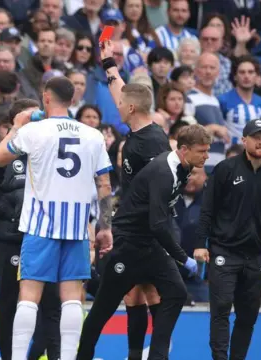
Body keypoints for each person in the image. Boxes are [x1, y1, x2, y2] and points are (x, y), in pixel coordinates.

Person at [0, 76, 114, 360]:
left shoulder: (35, 131)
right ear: (72, 100)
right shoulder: (93, 135)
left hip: (40, 224)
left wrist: (17, 126)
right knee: (72, 297)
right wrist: (104, 227)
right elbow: (105, 185)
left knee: (29, 296)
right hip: (76, 226)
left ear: (46, 98)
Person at [76, 124, 210, 360]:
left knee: (177, 293)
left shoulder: (184, 167)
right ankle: (82, 356)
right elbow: (158, 223)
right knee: (101, 311)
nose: (207, 156)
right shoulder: (164, 172)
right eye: (202, 151)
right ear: (185, 149)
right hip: (128, 245)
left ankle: (157, 356)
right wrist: (182, 257)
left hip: (150, 244)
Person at [98, 39, 173, 360]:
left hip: (148, 226)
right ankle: (134, 355)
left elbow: (165, 186)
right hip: (130, 225)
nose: (117, 105)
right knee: (132, 293)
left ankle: (159, 354)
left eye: (122, 103)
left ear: (131, 108)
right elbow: (120, 93)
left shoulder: (154, 140)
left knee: (152, 290)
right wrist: (109, 63)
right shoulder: (136, 126)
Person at [194, 119, 261, 360]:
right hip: (224, 251)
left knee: (248, 316)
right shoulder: (226, 169)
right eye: (255, 136)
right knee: (221, 308)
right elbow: (207, 209)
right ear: (244, 140)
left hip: (254, 256)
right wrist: (199, 244)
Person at [0, 98, 61, 360]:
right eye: (32, 118)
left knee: (50, 304)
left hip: (46, 236)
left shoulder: (51, 150)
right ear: (16, 122)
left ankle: (40, 356)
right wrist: (14, 214)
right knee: (10, 303)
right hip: (11, 239)